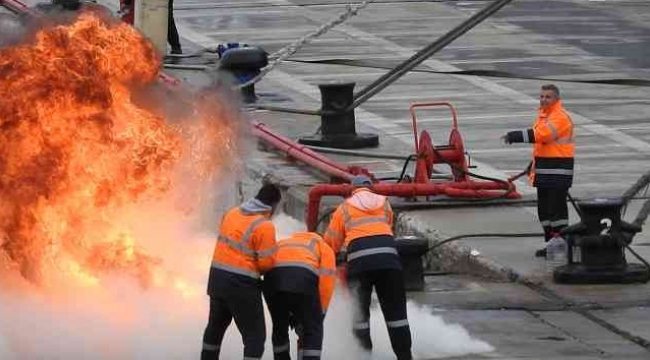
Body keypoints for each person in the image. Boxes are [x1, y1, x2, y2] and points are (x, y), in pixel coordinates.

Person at [323, 175, 412, 360]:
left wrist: (331, 259)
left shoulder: (344, 207)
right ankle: (404, 355)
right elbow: (387, 226)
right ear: (370, 187)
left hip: (359, 263)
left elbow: (331, 242)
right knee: (397, 315)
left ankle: (364, 356)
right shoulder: (384, 202)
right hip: (389, 261)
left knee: (360, 314)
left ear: (352, 189)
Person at [201, 183, 282, 360]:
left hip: (216, 279)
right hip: (241, 286)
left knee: (215, 328)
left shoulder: (232, 213)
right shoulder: (265, 226)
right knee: (255, 337)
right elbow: (266, 264)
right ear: (273, 205)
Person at [502, 84, 575, 257]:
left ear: (556, 99)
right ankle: (551, 243)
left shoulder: (559, 117)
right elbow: (542, 146)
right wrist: (532, 165)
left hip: (558, 170)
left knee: (557, 210)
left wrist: (514, 136)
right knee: (544, 210)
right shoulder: (544, 116)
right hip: (545, 168)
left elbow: (542, 135)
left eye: (548, 97)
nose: (543, 100)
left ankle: (562, 243)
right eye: (541, 96)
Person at [263, 231, 337, 360]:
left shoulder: (283, 242)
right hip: (302, 281)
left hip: (272, 283)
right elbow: (326, 282)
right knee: (312, 330)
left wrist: (288, 313)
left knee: (280, 326)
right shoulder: (323, 246)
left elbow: (268, 268)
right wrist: (319, 315)